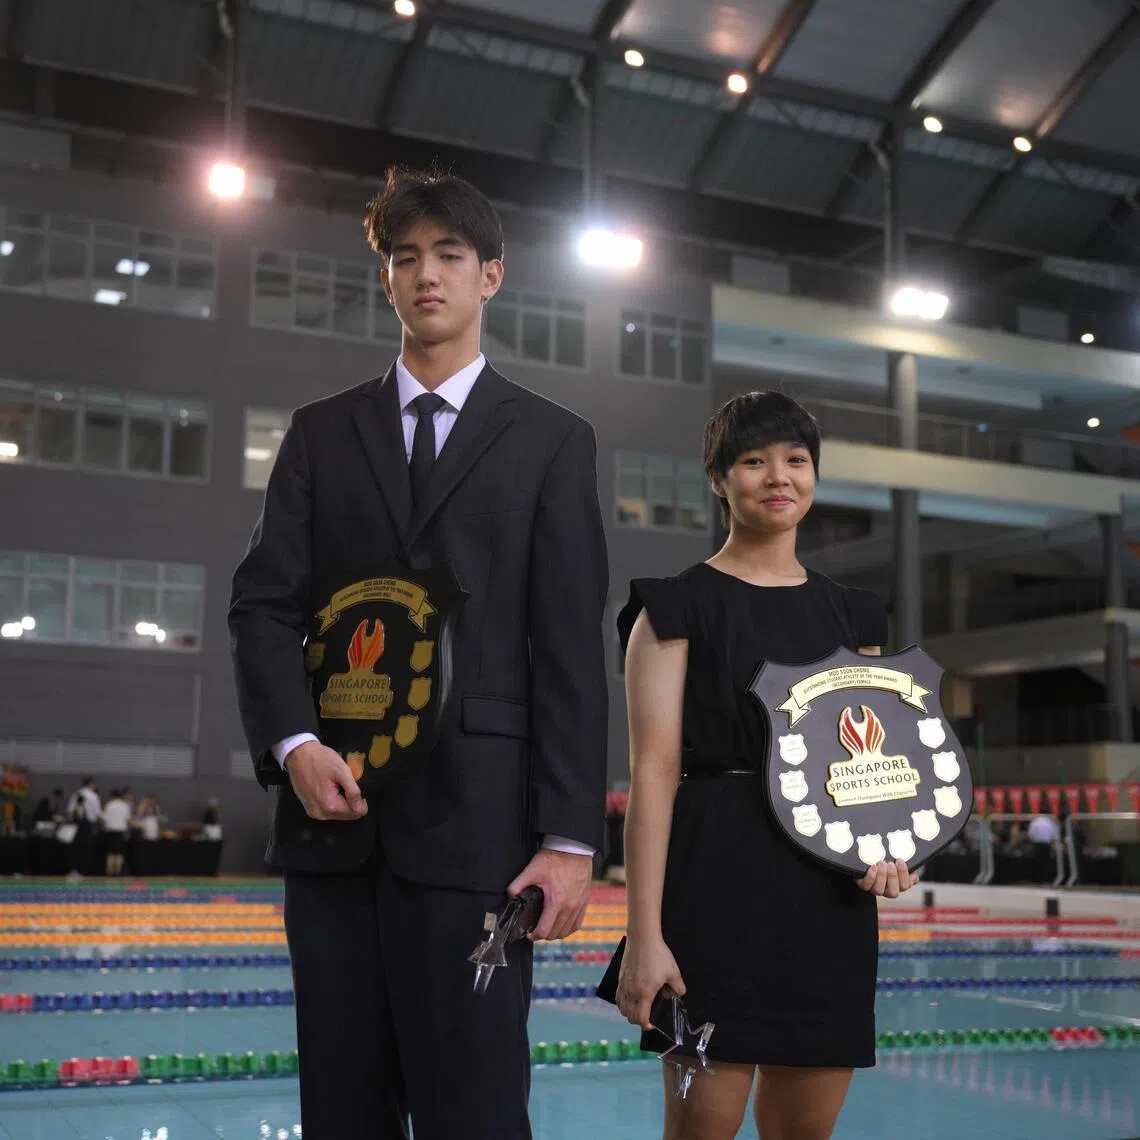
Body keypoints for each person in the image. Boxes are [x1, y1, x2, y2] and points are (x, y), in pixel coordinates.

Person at [228, 166, 609, 1139]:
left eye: (448, 255)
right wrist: (293, 744)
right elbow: (265, 607)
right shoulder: (321, 434)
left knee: (475, 1111)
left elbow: (567, 647)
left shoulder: (551, 443)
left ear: (493, 275)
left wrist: (568, 840)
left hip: (481, 839)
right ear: (387, 280)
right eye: (405, 258)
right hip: (333, 830)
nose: (425, 275)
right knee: (343, 1112)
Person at [614, 392, 920, 1140]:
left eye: (796, 460)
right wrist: (644, 937)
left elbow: (870, 767)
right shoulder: (674, 606)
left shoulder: (855, 615)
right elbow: (653, 774)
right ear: (719, 480)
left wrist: (887, 848)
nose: (777, 478)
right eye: (753, 461)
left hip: (826, 898)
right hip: (712, 889)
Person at [101, 788, 132, 877]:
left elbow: (104, 819)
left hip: (110, 831)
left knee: (110, 853)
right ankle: (118, 872)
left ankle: (109, 872)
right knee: (119, 853)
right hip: (121, 831)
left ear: (112, 796)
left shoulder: (109, 805)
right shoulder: (125, 805)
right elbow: (128, 819)